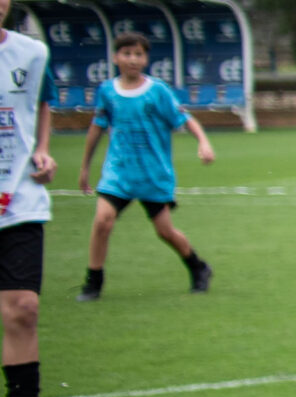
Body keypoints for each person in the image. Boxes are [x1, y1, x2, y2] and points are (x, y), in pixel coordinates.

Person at [77, 31, 214, 301]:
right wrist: (85, 167)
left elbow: (185, 118)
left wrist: (203, 142)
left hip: (153, 174)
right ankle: (93, 281)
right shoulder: (107, 92)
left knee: (164, 231)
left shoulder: (157, 91)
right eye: (126, 54)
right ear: (116, 57)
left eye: (138, 54)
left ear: (146, 58)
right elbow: (97, 127)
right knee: (103, 221)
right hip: (119, 173)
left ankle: (198, 267)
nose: (132, 59)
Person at [0, 0, 65, 397]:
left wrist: (42, 151)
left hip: (18, 202)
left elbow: (40, 106)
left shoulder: (32, 53)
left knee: (24, 309)